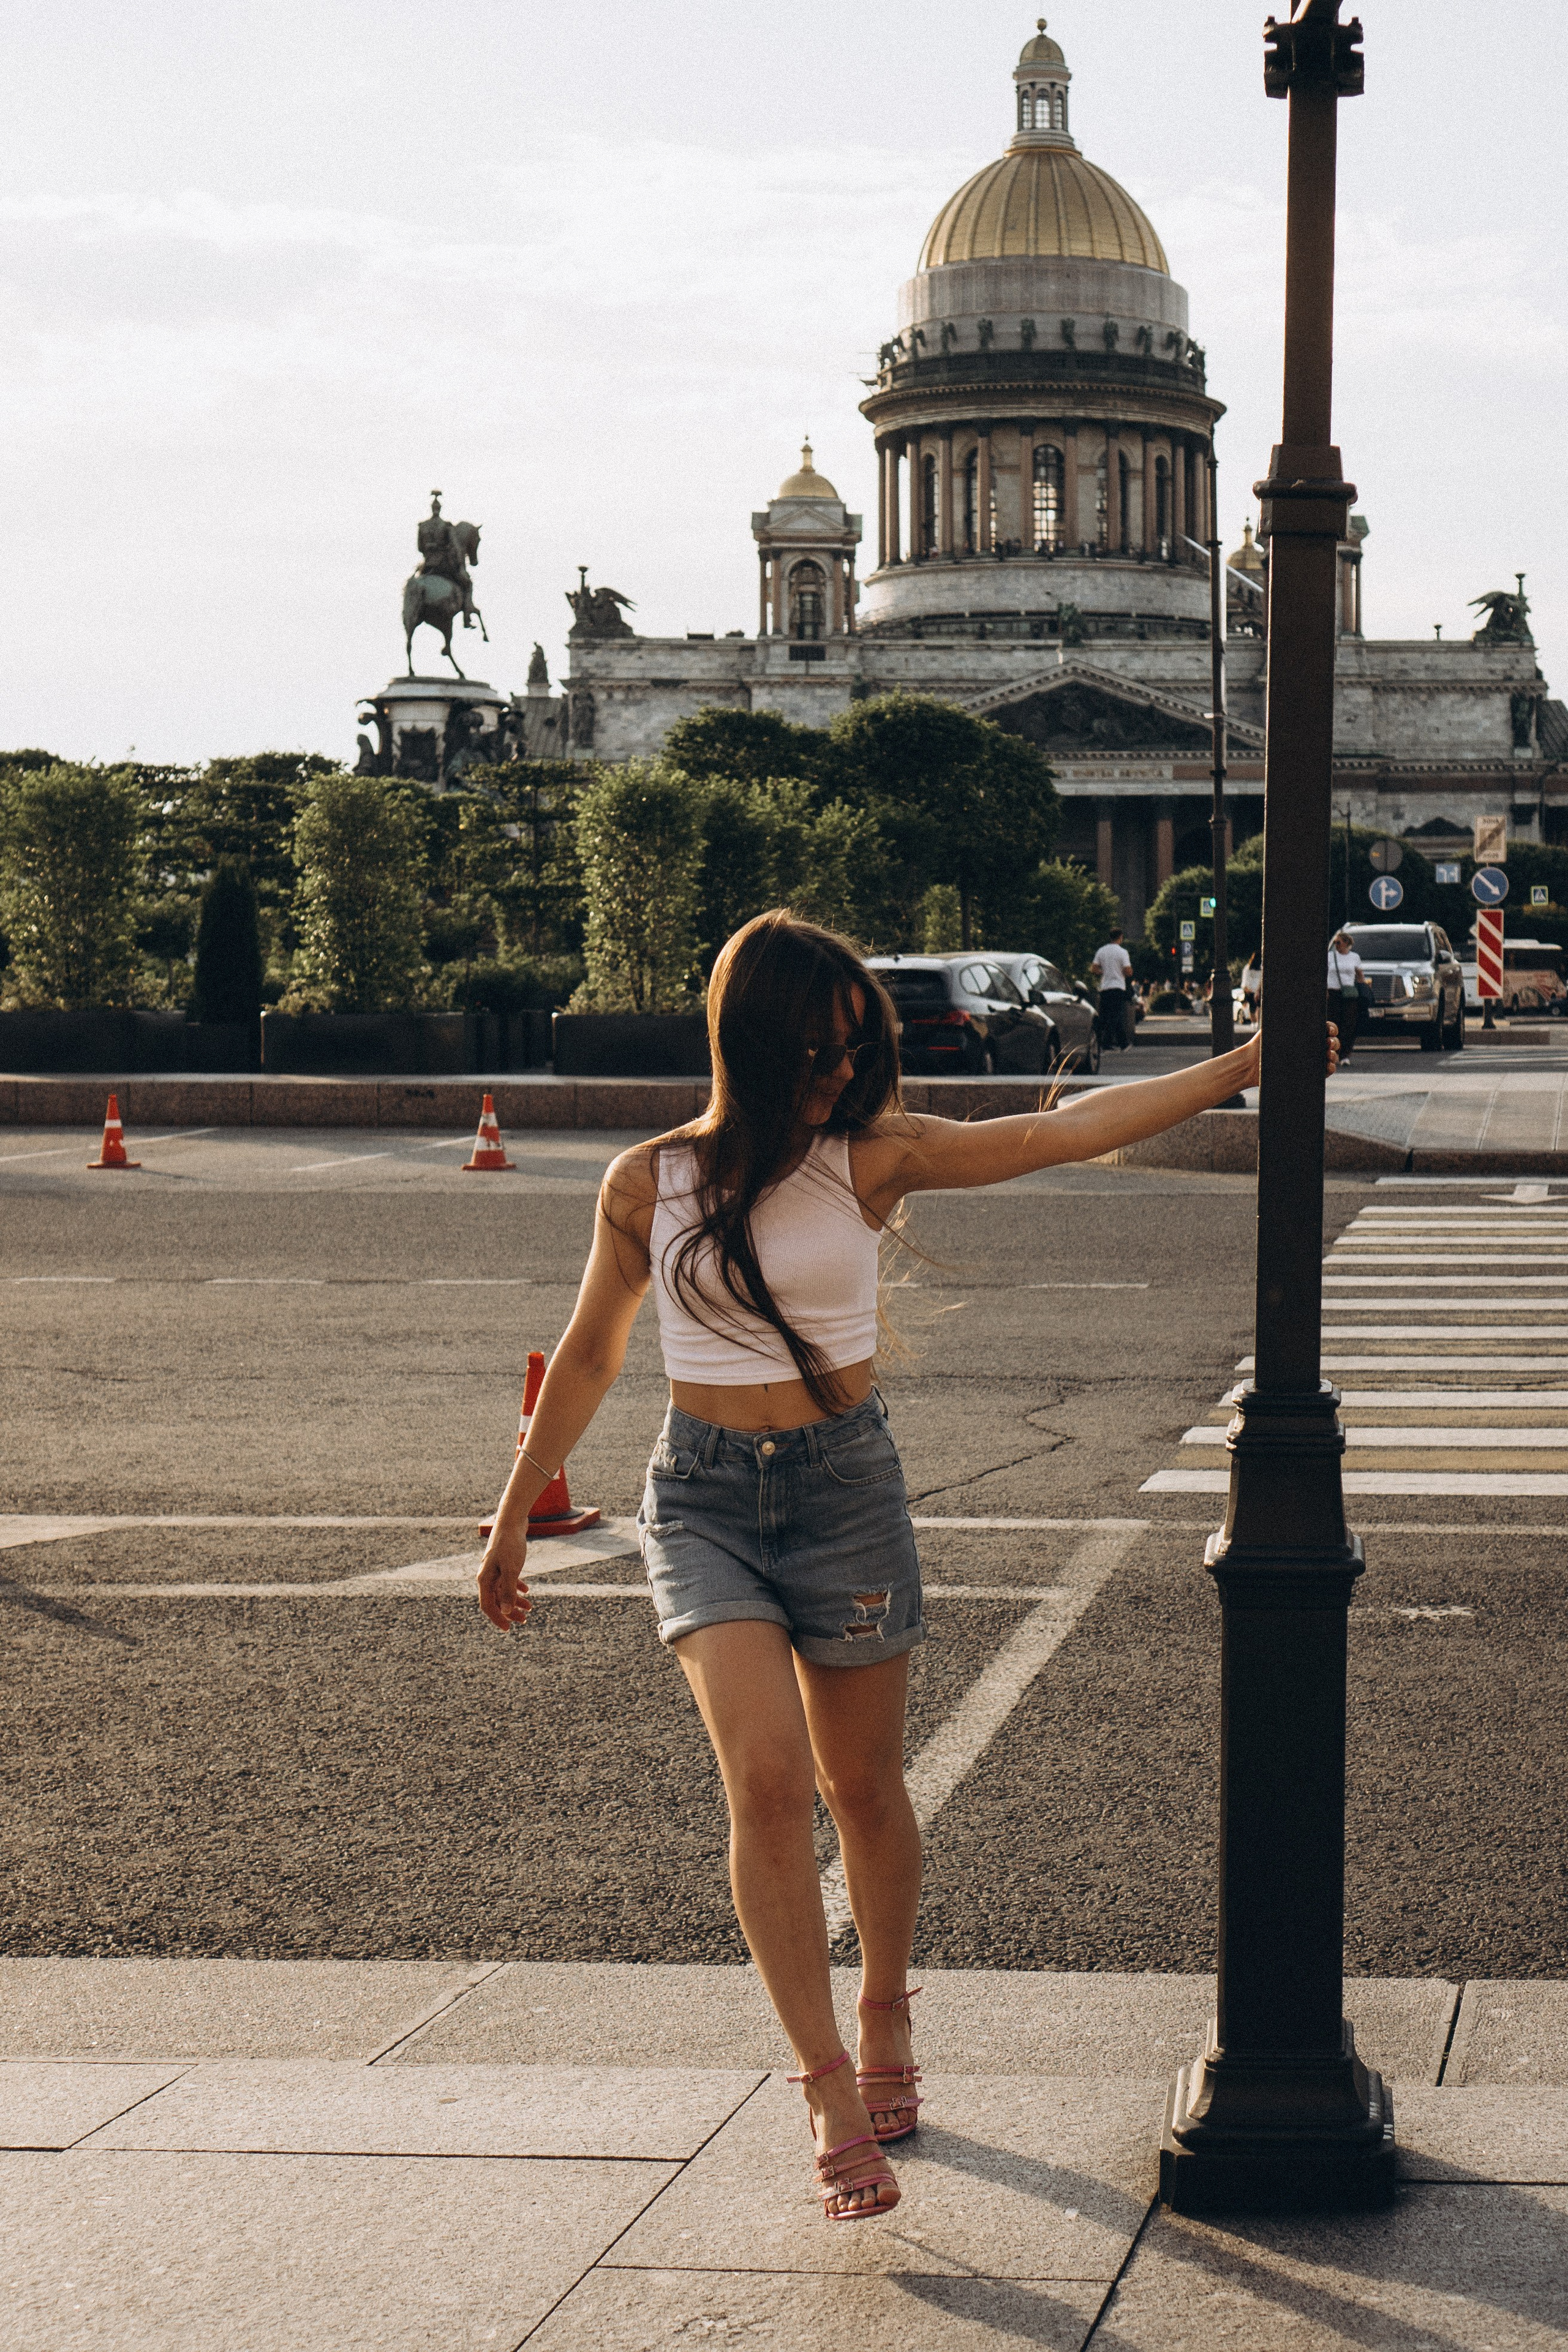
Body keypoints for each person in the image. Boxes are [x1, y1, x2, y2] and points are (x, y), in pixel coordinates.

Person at [476, 910, 1280, 2225]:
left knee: (861, 1787)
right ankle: (824, 2085)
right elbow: (588, 1355)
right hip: (702, 1501)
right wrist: (513, 1513)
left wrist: (1235, 1069)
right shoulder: (646, 1183)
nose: (842, 1074)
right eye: (819, 1050)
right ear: (753, 1042)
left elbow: (1058, 1133)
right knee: (766, 1781)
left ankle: (887, 2003)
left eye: (858, 1050)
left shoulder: (871, 1158)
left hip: (843, 1491)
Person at [1090, 930, 1134, 1051]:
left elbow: (1094, 969)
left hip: (1105, 987)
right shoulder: (1123, 952)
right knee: (1117, 1015)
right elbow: (1127, 971)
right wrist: (1125, 972)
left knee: (1107, 1015)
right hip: (1118, 987)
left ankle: (1110, 1043)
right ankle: (1119, 1043)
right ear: (1121, 937)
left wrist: (1103, 971)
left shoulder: (1102, 951)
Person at [1327, 929, 1365, 1061]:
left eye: (1339, 943)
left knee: (1348, 1024)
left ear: (1347, 943)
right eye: (1335, 943)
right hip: (1333, 993)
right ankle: (1332, 1052)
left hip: (1349, 994)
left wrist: (1362, 987)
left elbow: (1360, 975)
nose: (1336, 945)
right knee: (1333, 1023)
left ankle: (1345, 1054)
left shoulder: (1354, 957)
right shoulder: (1330, 956)